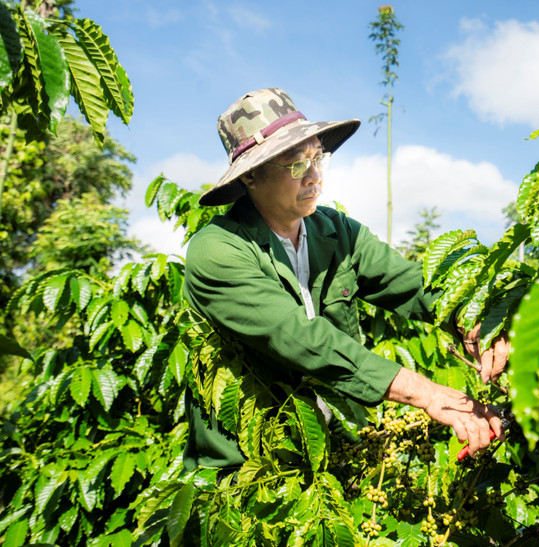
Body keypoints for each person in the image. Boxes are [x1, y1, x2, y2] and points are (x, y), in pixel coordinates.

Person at [183, 87, 510, 470]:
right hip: (245, 473)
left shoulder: (335, 230)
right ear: (252, 177)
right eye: (294, 164)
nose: (314, 175)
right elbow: (303, 340)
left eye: (317, 157)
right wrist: (428, 393)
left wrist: (477, 326)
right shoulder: (218, 250)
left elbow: (413, 285)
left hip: (333, 456)